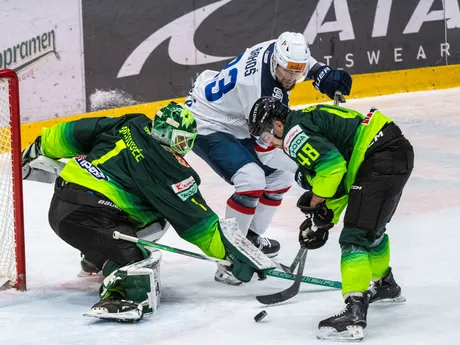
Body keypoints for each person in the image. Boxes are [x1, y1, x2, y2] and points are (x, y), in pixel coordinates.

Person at [21, 102, 274, 322]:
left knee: (149, 218)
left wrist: (42, 145)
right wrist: (231, 255)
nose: (182, 147)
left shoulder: (132, 123)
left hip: (62, 204)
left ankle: (96, 256)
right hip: (89, 216)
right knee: (139, 262)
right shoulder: (171, 171)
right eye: (179, 140)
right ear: (164, 132)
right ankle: (116, 296)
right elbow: (200, 226)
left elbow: (76, 132)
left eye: (187, 141)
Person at [247, 97, 414, 341]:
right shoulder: (305, 120)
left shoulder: (294, 134)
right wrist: (321, 222)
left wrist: (315, 204)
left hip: (379, 156)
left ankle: (354, 314)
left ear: (278, 124)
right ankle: (385, 284)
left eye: (265, 134)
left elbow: (332, 169)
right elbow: (340, 182)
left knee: (355, 238)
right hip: (392, 151)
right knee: (371, 231)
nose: (268, 142)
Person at [184, 31, 352, 265]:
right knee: (251, 180)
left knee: (280, 179)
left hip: (236, 117)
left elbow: (297, 60)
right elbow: (268, 149)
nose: (292, 78)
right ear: (275, 62)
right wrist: (306, 171)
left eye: (298, 72)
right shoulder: (258, 92)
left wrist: (319, 72)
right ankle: (230, 256)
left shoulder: (278, 50)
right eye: (287, 72)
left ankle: (249, 239)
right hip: (207, 122)